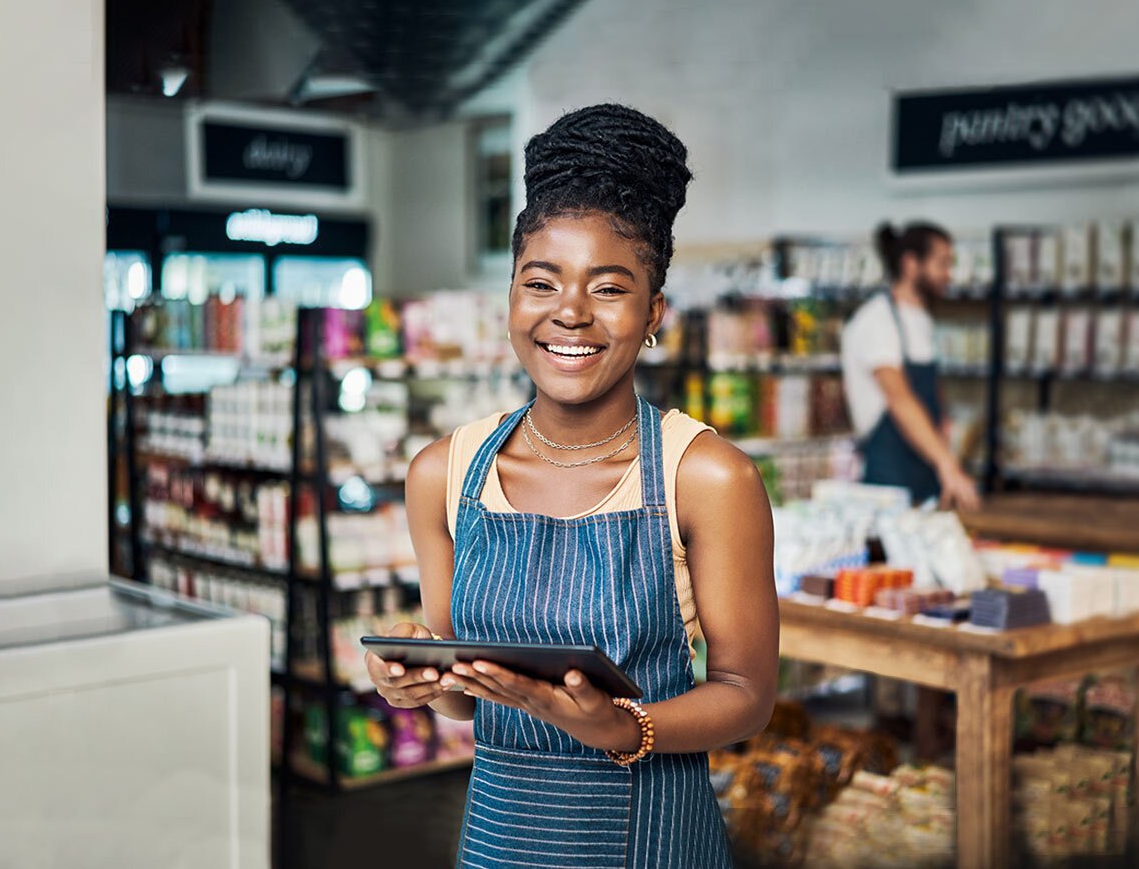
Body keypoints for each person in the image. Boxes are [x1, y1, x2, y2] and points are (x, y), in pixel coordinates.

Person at [366, 104, 777, 868]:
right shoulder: (444, 474)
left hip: (651, 838)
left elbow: (747, 694)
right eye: (541, 281)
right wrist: (414, 679)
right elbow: (462, 697)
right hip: (500, 839)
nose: (570, 314)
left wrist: (629, 728)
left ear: (654, 313)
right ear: (512, 300)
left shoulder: (705, 476)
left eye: (610, 288)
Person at [841, 221, 981, 511]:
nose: (948, 275)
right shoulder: (877, 321)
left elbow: (931, 395)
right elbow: (901, 400)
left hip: (926, 474)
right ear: (911, 264)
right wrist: (948, 465)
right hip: (889, 482)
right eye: (942, 264)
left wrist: (947, 446)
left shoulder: (921, 321)